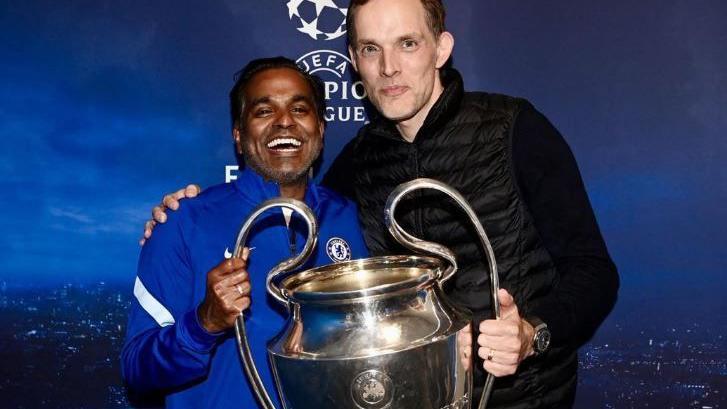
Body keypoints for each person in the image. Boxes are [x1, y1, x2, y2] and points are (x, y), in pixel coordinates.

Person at [145, 1, 619, 407]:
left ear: (441, 48)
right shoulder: (357, 163)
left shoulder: (514, 129)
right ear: (354, 60)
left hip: (522, 398)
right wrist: (180, 215)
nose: (389, 67)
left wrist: (531, 334)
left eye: (407, 44)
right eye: (372, 49)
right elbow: (293, 208)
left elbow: (594, 271)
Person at [122, 57, 368, 408]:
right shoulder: (184, 222)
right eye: (264, 111)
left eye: (299, 109)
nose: (285, 122)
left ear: (321, 127)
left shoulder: (349, 218)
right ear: (238, 135)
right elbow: (136, 370)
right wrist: (203, 324)